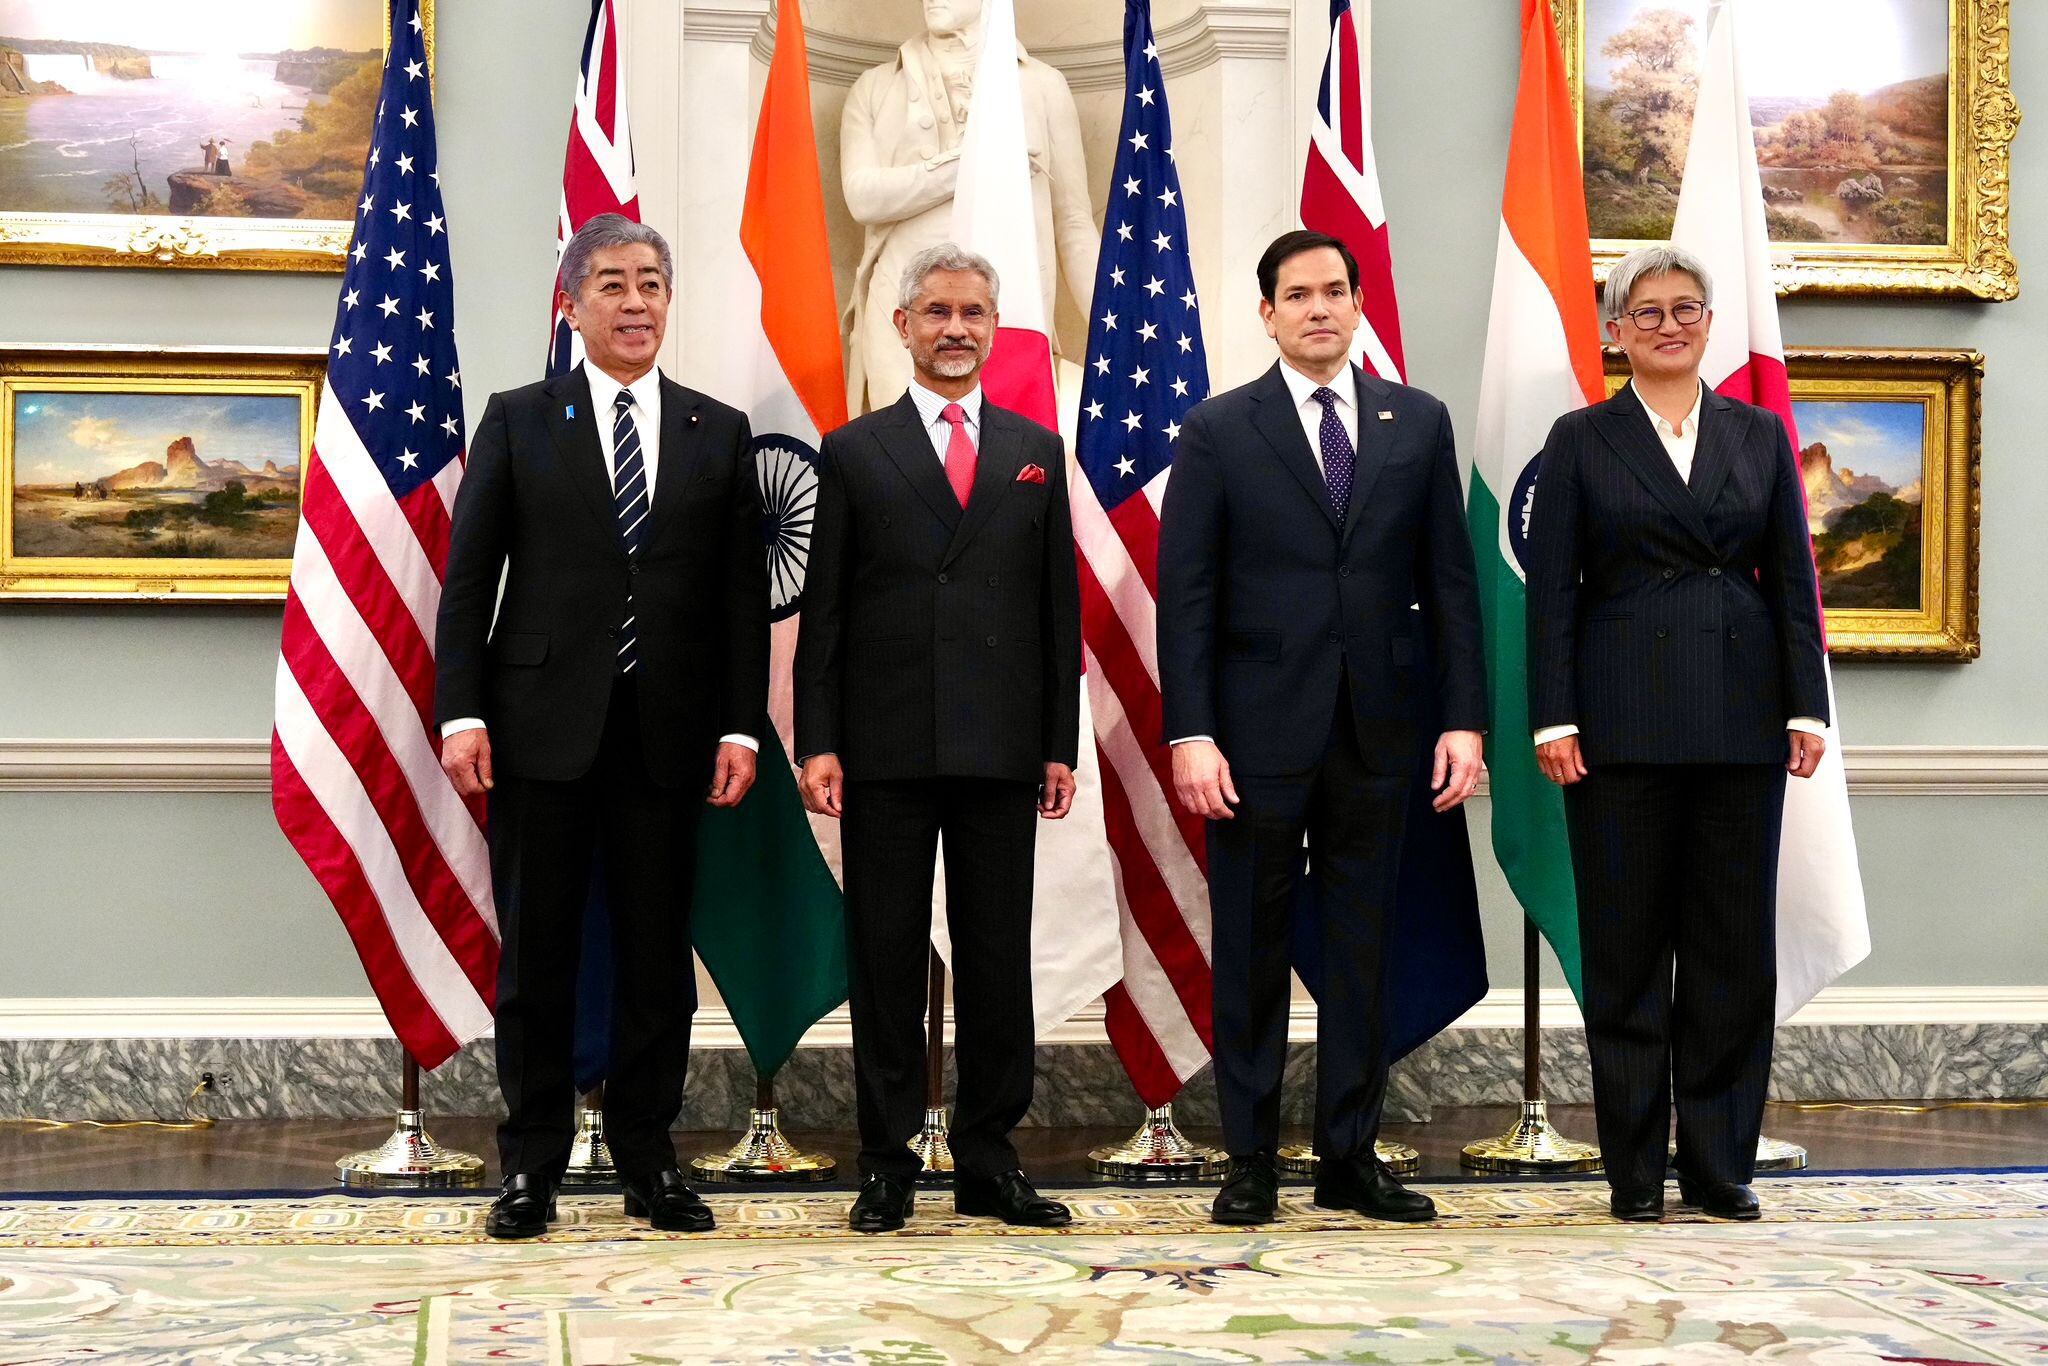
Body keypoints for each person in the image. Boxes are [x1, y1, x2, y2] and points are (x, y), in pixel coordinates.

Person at [436, 214, 770, 1240]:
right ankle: (529, 1164)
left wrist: (741, 728)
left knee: (653, 956)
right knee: (536, 955)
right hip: (538, 727)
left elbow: (737, 601)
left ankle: (647, 1158)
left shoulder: (719, 431)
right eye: (614, 284)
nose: (636, 302)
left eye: (652, 283)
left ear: (670, 301)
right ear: (571, 305)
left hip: (668, 732)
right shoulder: (518, 418)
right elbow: (468, 582)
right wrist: (461, 709)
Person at [1157, 229, 1487, 1226]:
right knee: (1251, 950)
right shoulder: (1218, 429)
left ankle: (1348, 1154)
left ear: (1355, 305)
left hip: (1383, 730)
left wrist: (1463, 721)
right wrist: (1191, 732)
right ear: (1266, 313)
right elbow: (1187, 595)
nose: (1318, 308)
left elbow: (1451, 584)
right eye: (1296, 294)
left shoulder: (1414, 422)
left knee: (1362, 953)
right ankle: (1249, 1159)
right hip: (1252, 736)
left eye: (1333, 291)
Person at [1524, 244, 1829, 1225]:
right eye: (1645, 312)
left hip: (1742, 723)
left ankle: (1715, 1162)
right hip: (1613, 728)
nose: (1666, 324)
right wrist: (1553, 714)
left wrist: (1803, 704)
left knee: (1728, 956)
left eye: (1684, 309)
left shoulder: (1757, 435)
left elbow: (1789, 579)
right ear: (1614, 332)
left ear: (1707, 324)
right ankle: (1631, 1172)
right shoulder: (1577, 440)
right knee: (1623, 955)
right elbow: (1552, 594)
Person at [794, 242, 1082, 1234]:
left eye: (971, 312)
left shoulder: (1033, 448)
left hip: (1003, 748)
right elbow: (823, 614)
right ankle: (884, 1164)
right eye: (936, 312)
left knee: (998, 959)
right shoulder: (854, 450)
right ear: (901, 325)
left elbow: (1059, 615)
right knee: (882, 960)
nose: (955, 328)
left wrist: (1059, 743)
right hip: (883, 749)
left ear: (991, 328)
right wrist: (817, 739)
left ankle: (989, 1159)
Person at [838, 0, 1096, 414]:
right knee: (903, 462)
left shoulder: (1043, 85)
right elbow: (863, 196)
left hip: (1012, 313)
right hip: (899, 314)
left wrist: (1117, 334)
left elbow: (1074, 225)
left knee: (1012, 464)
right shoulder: (876, 87)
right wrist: (969, 162)